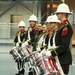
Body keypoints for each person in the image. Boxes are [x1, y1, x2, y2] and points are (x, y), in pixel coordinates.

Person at [50, 3, 73, 75]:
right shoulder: (61, 26)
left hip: (63, 59)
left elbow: (64, 45)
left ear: (63, 13)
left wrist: (52, 53)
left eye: (58, 13)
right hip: (59, 57)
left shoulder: (66, 27)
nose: (56, 14)